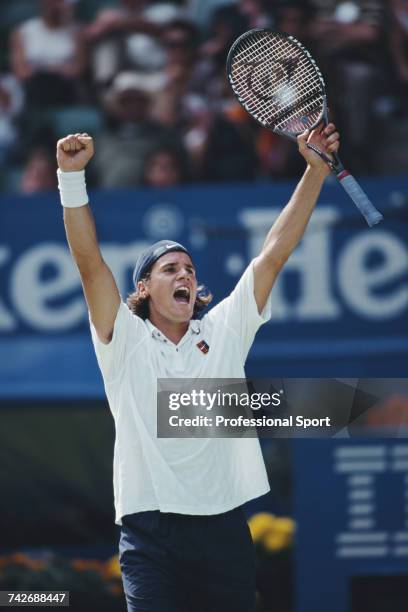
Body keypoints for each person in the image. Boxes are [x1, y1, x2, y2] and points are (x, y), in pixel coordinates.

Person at [56, 122, 339, 611]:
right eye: (170, 269)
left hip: (224, 527)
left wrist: (314, 171)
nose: (185, 273)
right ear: (143, 289)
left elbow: (273, 254)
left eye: (189, 269)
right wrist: (71, 179)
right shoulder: (123, 338)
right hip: (150, 533)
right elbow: (88, 262)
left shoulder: (223, 331)